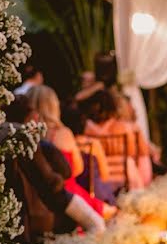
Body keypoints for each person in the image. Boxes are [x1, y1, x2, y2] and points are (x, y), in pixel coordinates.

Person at [26, 85, 116, 220]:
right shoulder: (62, 133)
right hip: (67, 195)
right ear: (53, 106)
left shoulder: (23, 135)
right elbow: (77, 169)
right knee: (109, 214)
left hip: (32, 198)